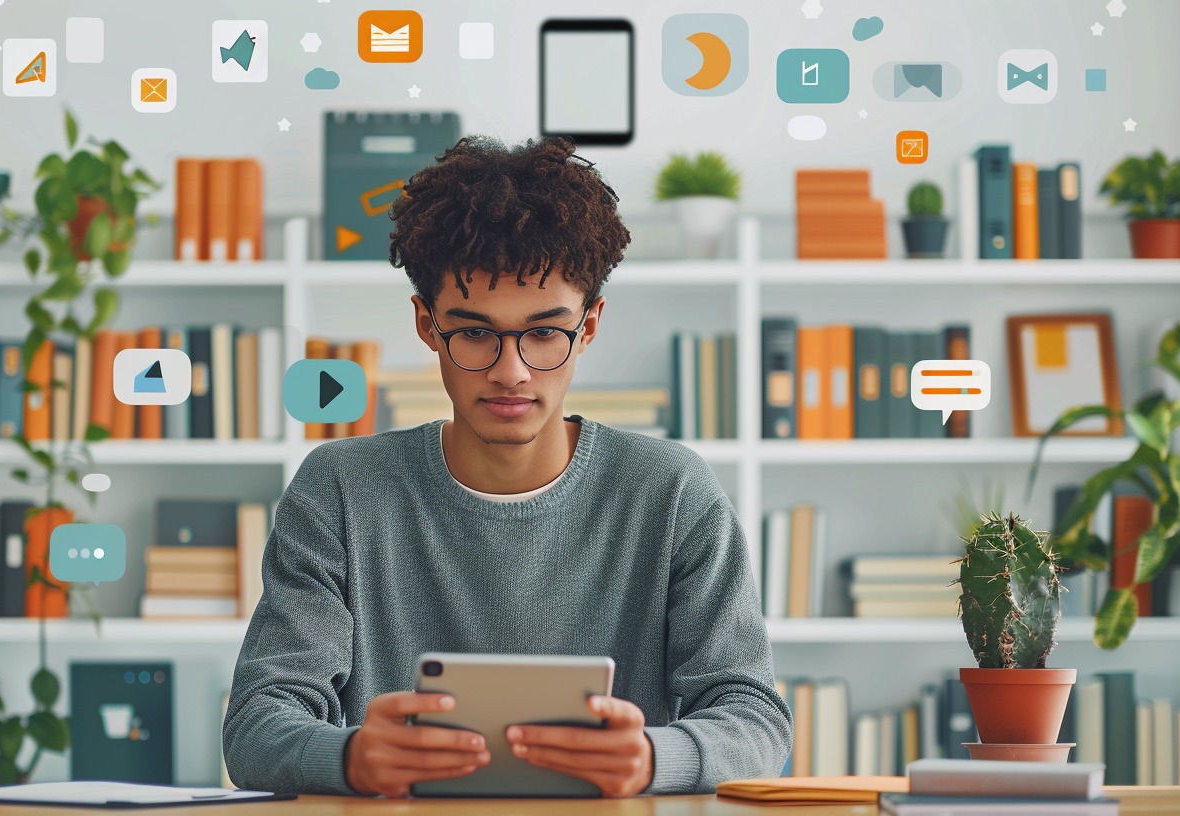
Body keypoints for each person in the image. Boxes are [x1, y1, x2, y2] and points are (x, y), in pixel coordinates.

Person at [223, 136, 791, 798]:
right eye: (473, 332)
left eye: (545, 333)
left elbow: (757, 722)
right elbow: (256, 726)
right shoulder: (340, 491)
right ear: (427, 325)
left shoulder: (671, 492)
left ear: (591, 325)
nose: (510, 371)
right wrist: (347, 756)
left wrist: (653, 758)